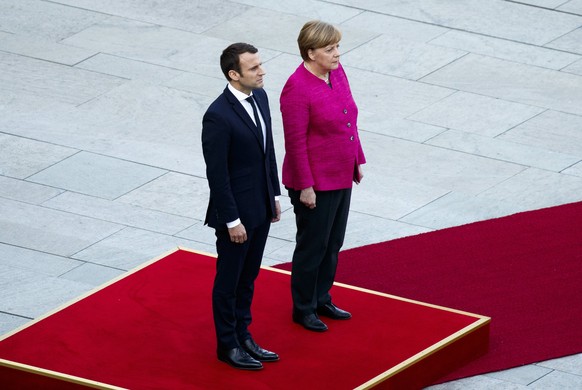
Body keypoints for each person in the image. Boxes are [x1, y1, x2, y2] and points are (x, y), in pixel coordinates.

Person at [280, 21, 366, 332]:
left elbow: (348, 117)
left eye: (337, 47)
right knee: (313, 245)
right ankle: (303, 308)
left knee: (333, 242)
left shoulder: (336, 73)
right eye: (330, 49)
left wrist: (356, 159)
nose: (337, 54)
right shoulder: (296, 88)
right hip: (314, 183)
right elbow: (295, 141)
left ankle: (321, 296)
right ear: (311, 52)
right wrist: (305, 186)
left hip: (340, 173)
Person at [202, 42, 281, 370]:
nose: (262, 71)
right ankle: (228, 344)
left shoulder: (260, 97)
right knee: (229, 280)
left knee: (248, 277)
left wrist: (274, 196)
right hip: (236, 216)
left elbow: (268, 150)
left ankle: (244, 334)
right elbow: (217, 175)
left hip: (260, 207)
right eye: (253, 68)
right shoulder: (217, 116)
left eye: (261, 64)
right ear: (234, 74)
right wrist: (232, 220)